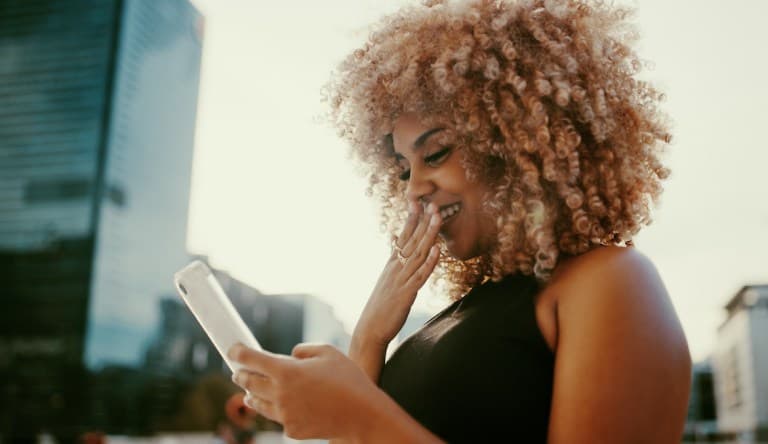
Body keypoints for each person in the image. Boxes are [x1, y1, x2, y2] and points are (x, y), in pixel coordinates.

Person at [227, 0, 692, 442]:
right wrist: (368, 339)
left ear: (517, 140)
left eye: (436, 153)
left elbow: (367, 428)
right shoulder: (462, 311)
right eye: (404, 169)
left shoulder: (613, 280)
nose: (413, 188)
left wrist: (357, 414)